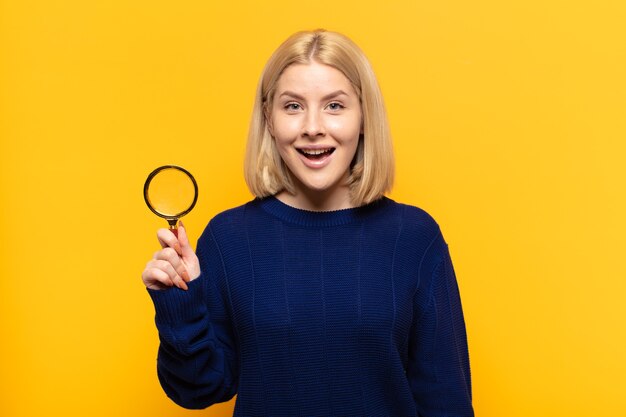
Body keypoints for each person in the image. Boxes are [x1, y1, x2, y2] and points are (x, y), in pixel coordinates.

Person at [142, 29, 474, 417]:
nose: (313, 127)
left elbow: (446, 401)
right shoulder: (227, 239)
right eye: (293, 106)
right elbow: (199, 390)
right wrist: (180, 302)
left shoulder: (415, 237)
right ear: (269, 118)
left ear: (364, 116)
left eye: (334, 106)